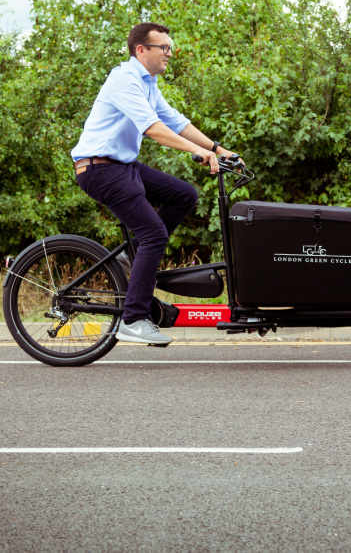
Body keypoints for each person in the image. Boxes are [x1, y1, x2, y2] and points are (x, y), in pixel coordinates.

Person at [72, 22, 237, 345]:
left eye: (170, 47)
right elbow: (152, 128)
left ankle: (131, 256)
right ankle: (133, 319)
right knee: (154, 233)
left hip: (122, 166)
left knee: (183, 195)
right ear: (142, 50)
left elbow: (174, 120)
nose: (170, 53)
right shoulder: (124, 79)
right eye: (164, 47)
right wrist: (198, 152)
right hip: (99, 169)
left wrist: (219, 149)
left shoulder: (148, 83)